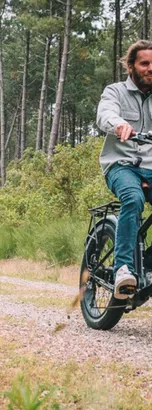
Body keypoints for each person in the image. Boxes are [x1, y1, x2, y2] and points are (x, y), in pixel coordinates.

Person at [97, 39, 152, 299]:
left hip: (150, 167)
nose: (151, 68)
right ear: (131, 67)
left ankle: (148, 264)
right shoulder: (115, 91)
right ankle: (123, 269)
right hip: (120, 164)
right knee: (133, 197)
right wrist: (118, 125)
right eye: (145, 63)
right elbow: (105, 113)